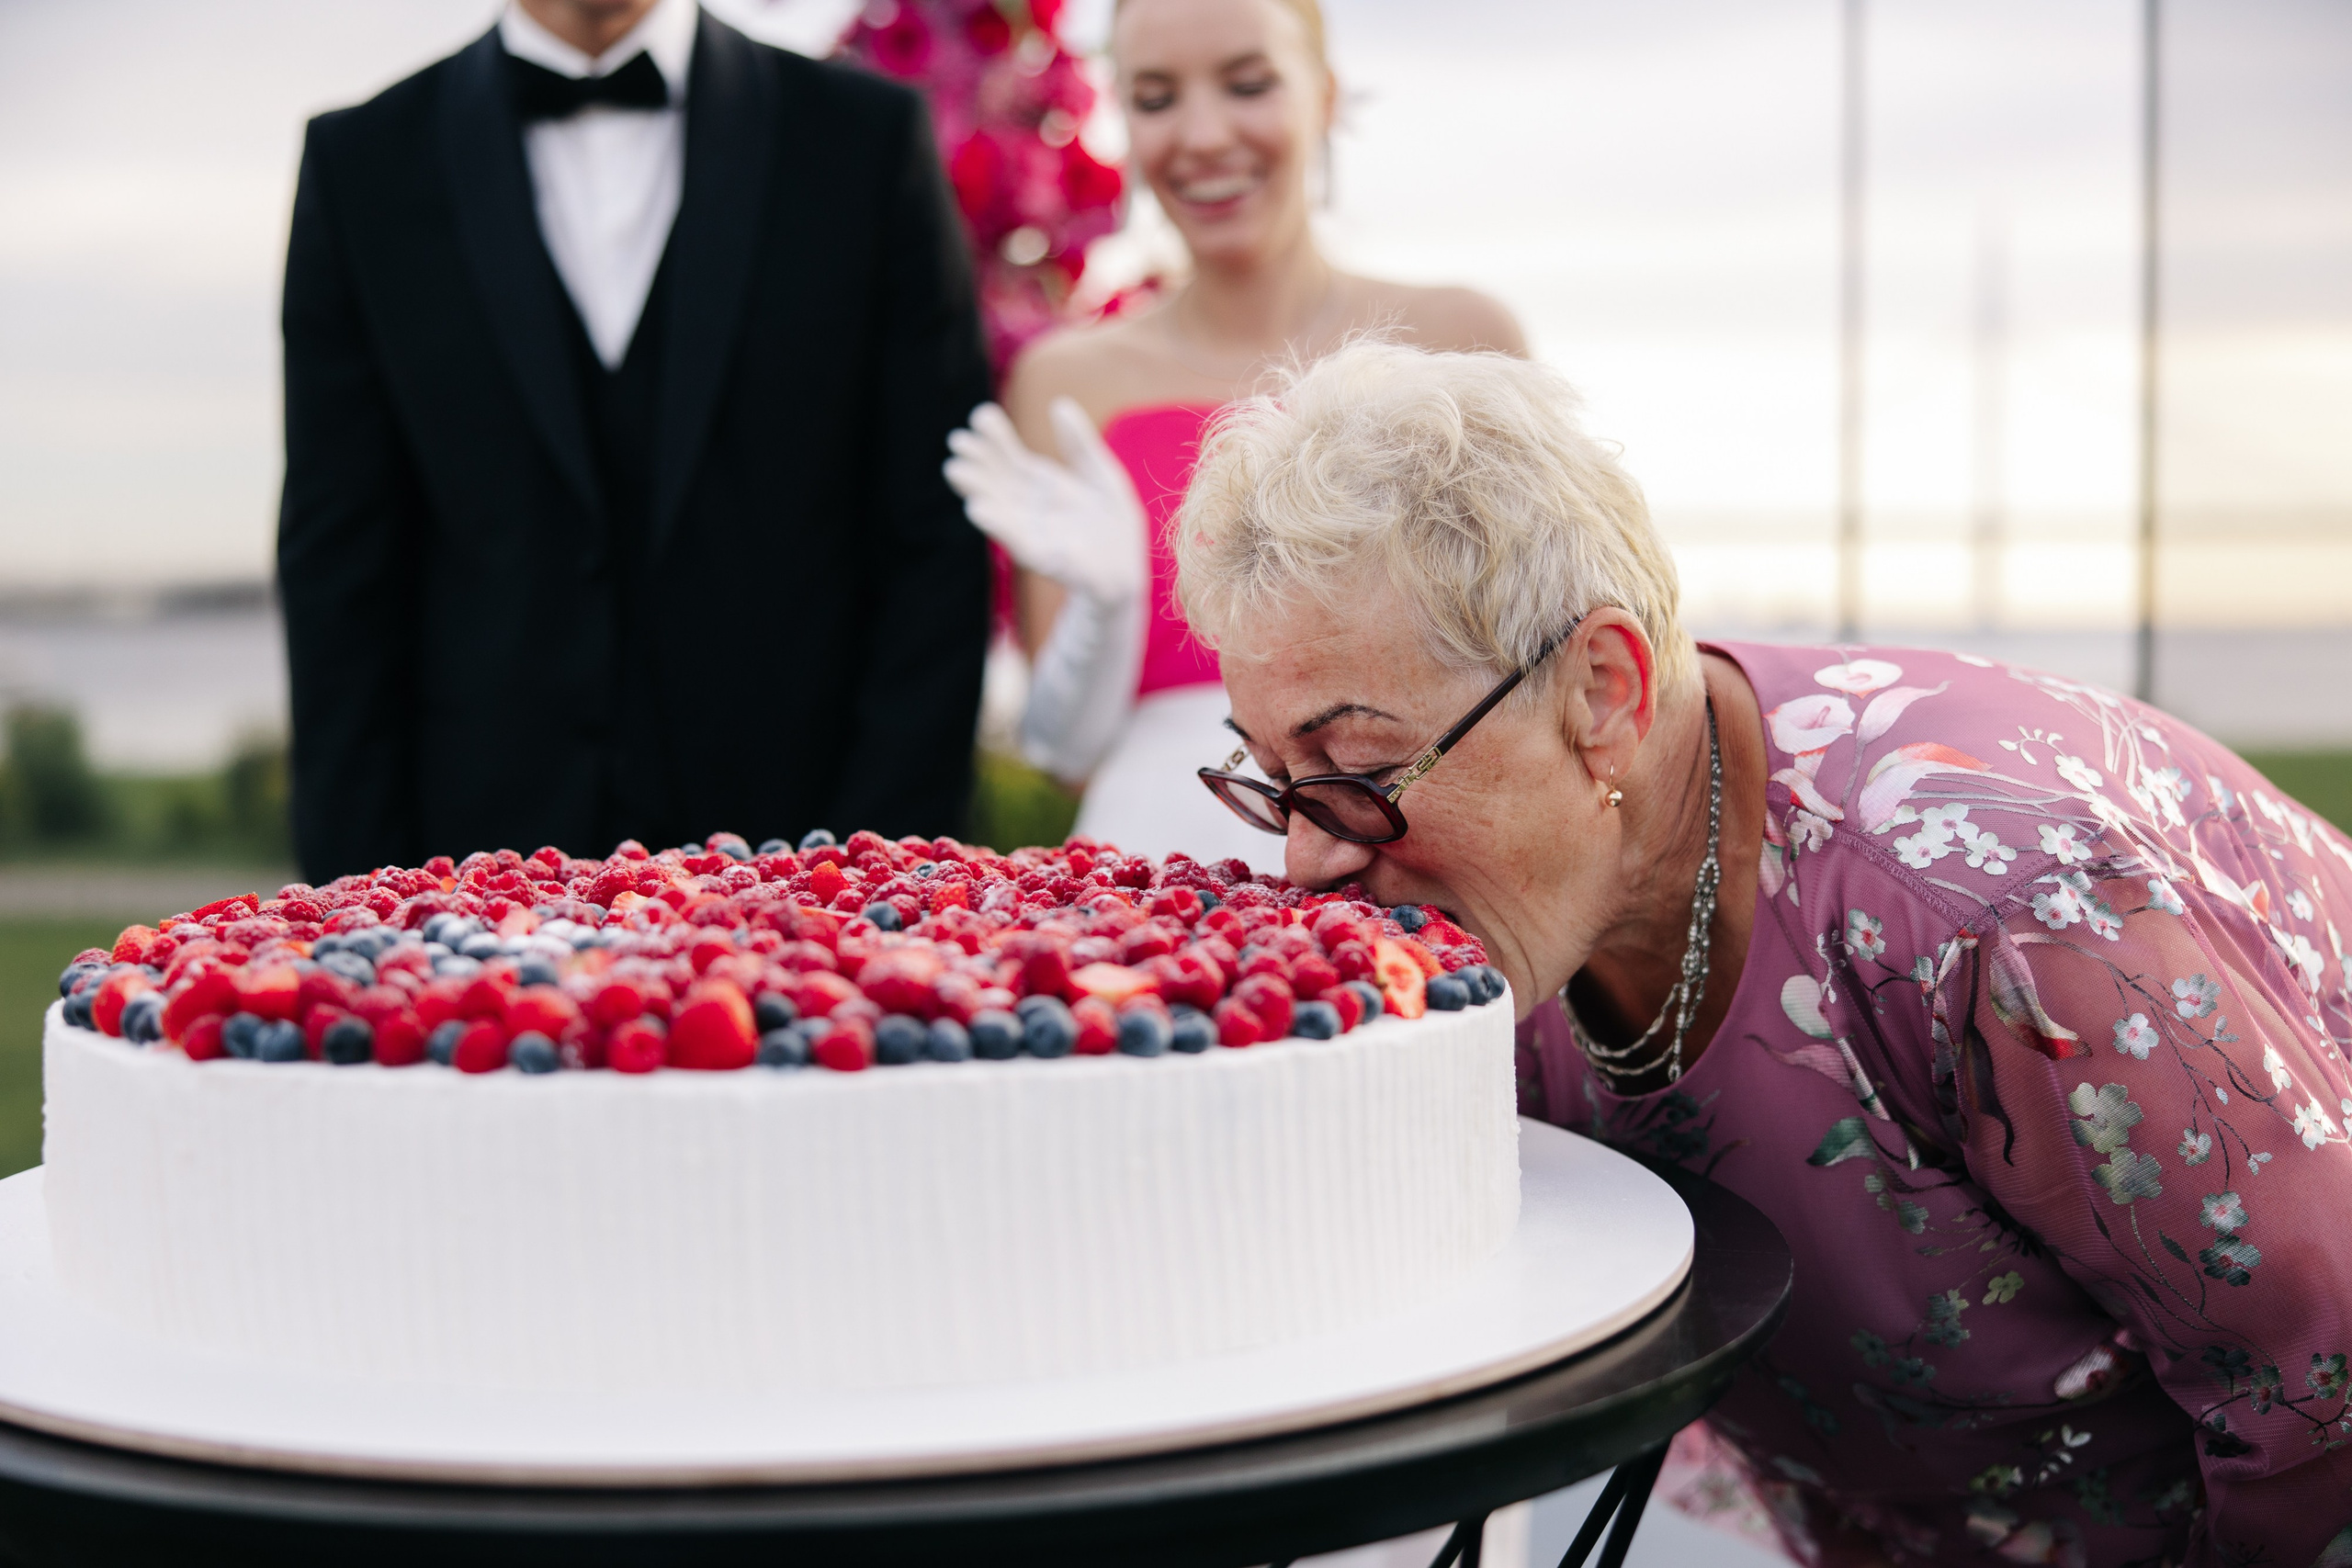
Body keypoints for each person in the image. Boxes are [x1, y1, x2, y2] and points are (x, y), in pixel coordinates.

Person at [1175, 339, 2352, 1568]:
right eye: (1272, 774)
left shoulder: (2005, 914)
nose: (1306, 859)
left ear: (1602, 693)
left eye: (1360, 769)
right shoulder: (1506, 920)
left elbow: (2323, 1398)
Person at [278, 0, 992, 884]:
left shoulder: (865, 141)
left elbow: (934, 544)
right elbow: (337, 572)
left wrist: (875, 881)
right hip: (467, 888)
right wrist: (366, 901)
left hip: (807, 884)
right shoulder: (361, 163)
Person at [946, 0, 1523, 875]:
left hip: (1408, 858)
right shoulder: (1065, 381)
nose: (1204, 136)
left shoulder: (1462, 340)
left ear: (1324, 96)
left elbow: (1530, 667)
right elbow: (1064, 749)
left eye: (1248, 85)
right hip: (1155, 872)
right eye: (1156, 97)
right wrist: (1103, 610)